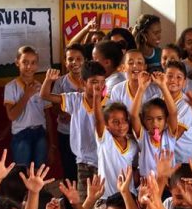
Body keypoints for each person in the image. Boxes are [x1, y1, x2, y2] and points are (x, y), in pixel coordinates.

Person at [41, 61, 107, 200]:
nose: (99, 87)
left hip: (102, 160)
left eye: (102, 82)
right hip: (82, 160)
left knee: (101, 201)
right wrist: (48, 80)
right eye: (94, 82)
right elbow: (45, 95)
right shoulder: (75, 99)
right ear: (83, 83)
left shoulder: (108, 102)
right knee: (84, 199)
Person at [3, 45, 51, 167]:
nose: (29, 67)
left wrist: (52, 143)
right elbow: (12, 116)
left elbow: (47, 115)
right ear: (17, 63)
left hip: (40, 134)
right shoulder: (11, 87)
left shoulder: (41, 87)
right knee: (22, 172)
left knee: (40, 172)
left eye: (33, 63)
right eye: (25, 62)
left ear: (37, 65)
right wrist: (26, 95)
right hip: (21, 135)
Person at [129, 71, 179, 179]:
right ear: (143, 121)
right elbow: (133, 115)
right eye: (149, 119)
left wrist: (163, 86)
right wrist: (141, 88)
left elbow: (173, 113)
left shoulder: (169, 136)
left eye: (159, 119)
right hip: (147, 183)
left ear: (166, 120)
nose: (155, 123)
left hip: (167, 182)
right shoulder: (143, 137)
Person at [49, 43, 85, 181]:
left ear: (85, 60)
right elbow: (54, 109)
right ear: (65, 62)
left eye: (78, 59)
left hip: (86, 133)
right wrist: (64, 113)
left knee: (87, 168)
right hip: (66, 132)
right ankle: (70, 194)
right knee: (69, 168)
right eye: (70, 59)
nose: (74, 62)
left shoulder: (90, 81)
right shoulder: (60, 82)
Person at [94, 101, 137, 199]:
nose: (121, 125)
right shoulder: (105, 140)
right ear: (106, 125)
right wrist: (96, 96)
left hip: (129, 196)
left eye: (124, 120)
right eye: (115, 122)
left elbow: (134, 167)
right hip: (106, 197)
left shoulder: (133, 144)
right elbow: (98, 120)